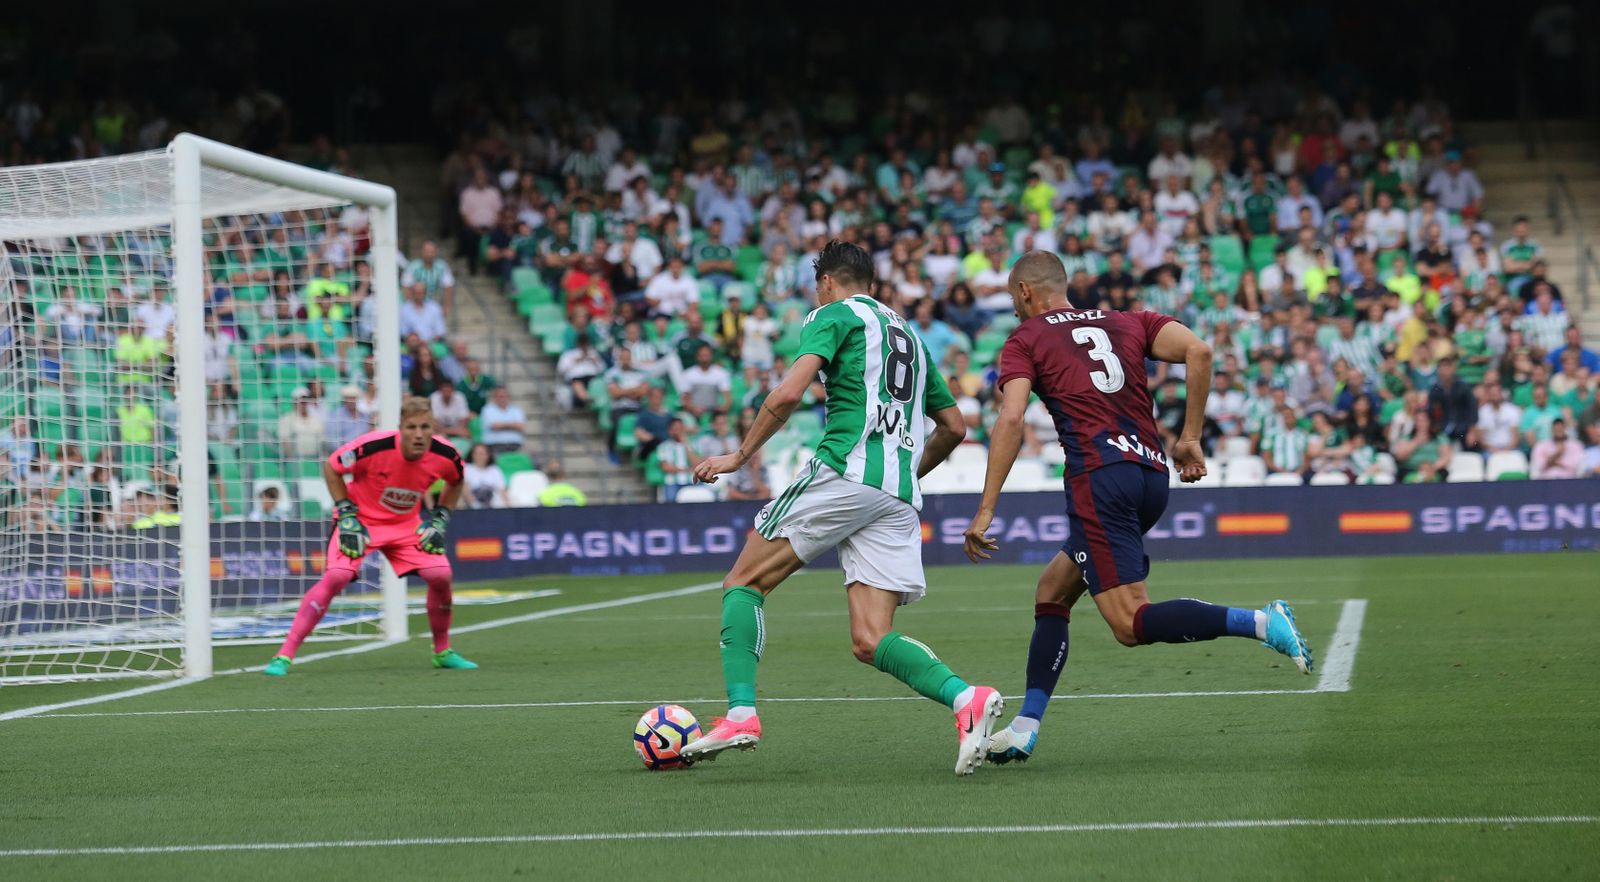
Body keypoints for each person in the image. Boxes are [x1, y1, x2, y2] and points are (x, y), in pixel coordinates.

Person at [961, 251, 1313, 766]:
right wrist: (1189, 438)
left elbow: (1011, 419)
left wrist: (986, 508)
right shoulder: (1127, 321)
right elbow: (1200, 351)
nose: (1015, 311)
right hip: (1150, 476)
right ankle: (1024, 727)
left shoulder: (1026, 339)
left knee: (1130, 624)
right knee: (1053, 591)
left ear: (1023, 293)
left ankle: (1262, 623)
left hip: (1098, 481)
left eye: (1015, 301)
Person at [681, 240, 1002, 776]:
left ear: (827, 282)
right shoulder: (912, 337)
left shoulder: (831, 315)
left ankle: (740, 714)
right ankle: (966, 698)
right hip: (896, 493)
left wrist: (739, 455)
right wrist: (901, 476)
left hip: (844, 469)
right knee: (870, 639)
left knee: (743, 582)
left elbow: (786, 395)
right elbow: (954, 428)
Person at [263, 397, 476, 676]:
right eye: (412, 427)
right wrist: (346, 514)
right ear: (400, 427)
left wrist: (441, 516)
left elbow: (456, 481)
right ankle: (284, 655)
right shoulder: (373, 446)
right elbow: (332, 467)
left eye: (425, 427)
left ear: (433, 427)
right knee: (337, 577)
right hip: (360, 521)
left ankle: (442, 651)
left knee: (441, 574)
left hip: (405, 525)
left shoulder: (446, 455)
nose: (419, 434)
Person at [461, 444, 507, 509]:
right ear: (472, 455)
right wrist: (475, 506)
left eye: (482, 453)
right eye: (476, 453)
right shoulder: (467, 468)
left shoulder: (495, 470)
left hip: (493, 504)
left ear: (488, 455)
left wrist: (508, 506)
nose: (479, 456)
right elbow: (464, 488)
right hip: (471, 505)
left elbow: (502, 490)